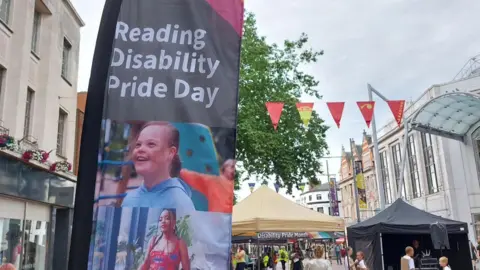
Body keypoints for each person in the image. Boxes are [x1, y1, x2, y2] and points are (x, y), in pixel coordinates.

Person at [122, 122, 195, 216]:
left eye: (151, 144)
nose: (140, 149)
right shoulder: (129, 199)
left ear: (170, 152)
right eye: (138, 145)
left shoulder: (180, 203)